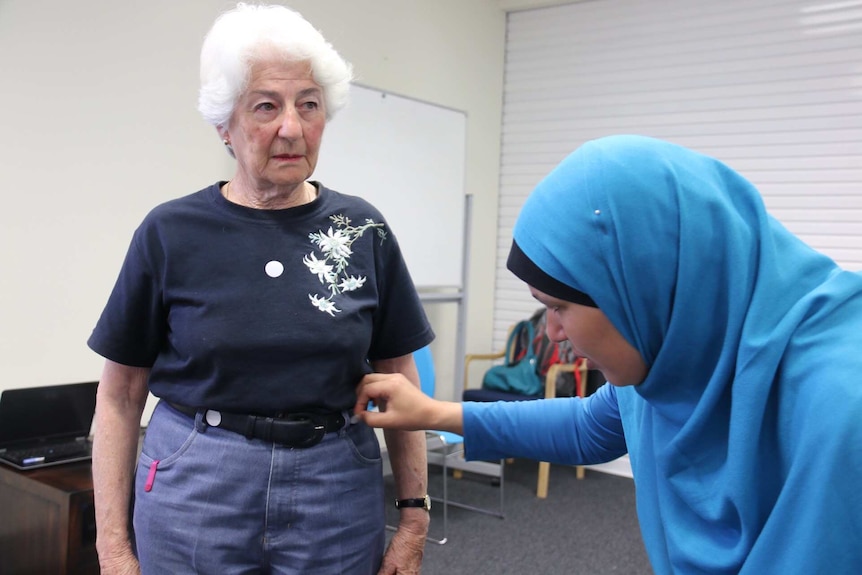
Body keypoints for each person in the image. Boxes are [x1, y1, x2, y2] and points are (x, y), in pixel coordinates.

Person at [355, 135, 862, 573]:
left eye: (559, 307)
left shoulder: (841, 400)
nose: (550, 333)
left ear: (640, 284)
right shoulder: (677, 342)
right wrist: (432, 413)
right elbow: (588, 426)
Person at [88, 4, 433, 574]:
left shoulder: (361, 230)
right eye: (266, 106)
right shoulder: (170, 232)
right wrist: (113, 548)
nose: (291, 127)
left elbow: (399, 377)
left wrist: (414, 519)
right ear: (224, 125)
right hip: (196, 480)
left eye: (309, 105)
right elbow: (120, 396)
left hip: (334, 485)